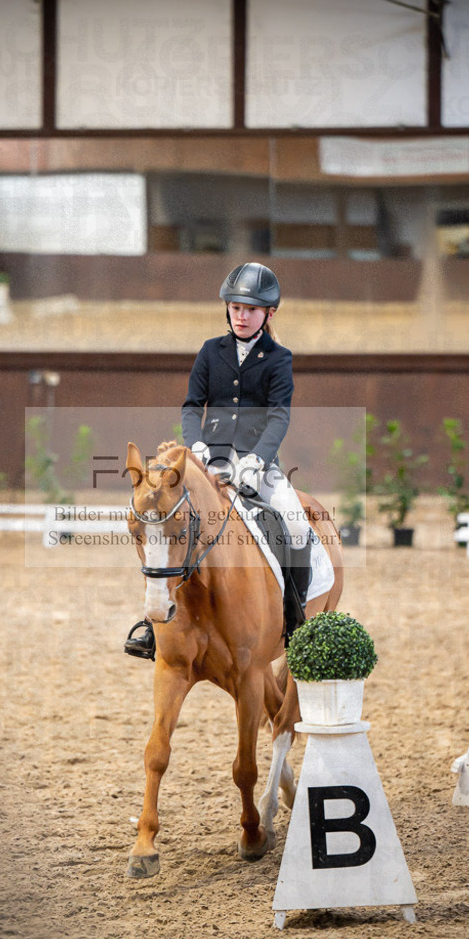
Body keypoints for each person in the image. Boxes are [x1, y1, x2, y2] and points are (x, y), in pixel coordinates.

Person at [124, 262, 311, 660]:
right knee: (163, 521)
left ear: (268, 314)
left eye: (251, 310)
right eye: (236, 308)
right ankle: (154, 626)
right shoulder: (211, 351)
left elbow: (279, 416)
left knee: (295, 525)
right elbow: (193, 405)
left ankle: (295, 623)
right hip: (206, 461)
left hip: (258, 465)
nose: (241, 316)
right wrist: (197, 446)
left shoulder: (279, 358)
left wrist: (257, 460)